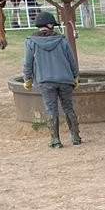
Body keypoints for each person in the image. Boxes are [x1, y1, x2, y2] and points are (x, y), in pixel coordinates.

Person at [22, 11, 80, 149]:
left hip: (45, 81)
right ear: (50, 25)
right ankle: (76, 137)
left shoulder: (31, 42)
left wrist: (27, 78)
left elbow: (27, 62)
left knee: (51, 109)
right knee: (68, 107)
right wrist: (75, 76)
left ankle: (55, 140)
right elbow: (71, 60)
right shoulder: (62, 40)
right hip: (65, 79)